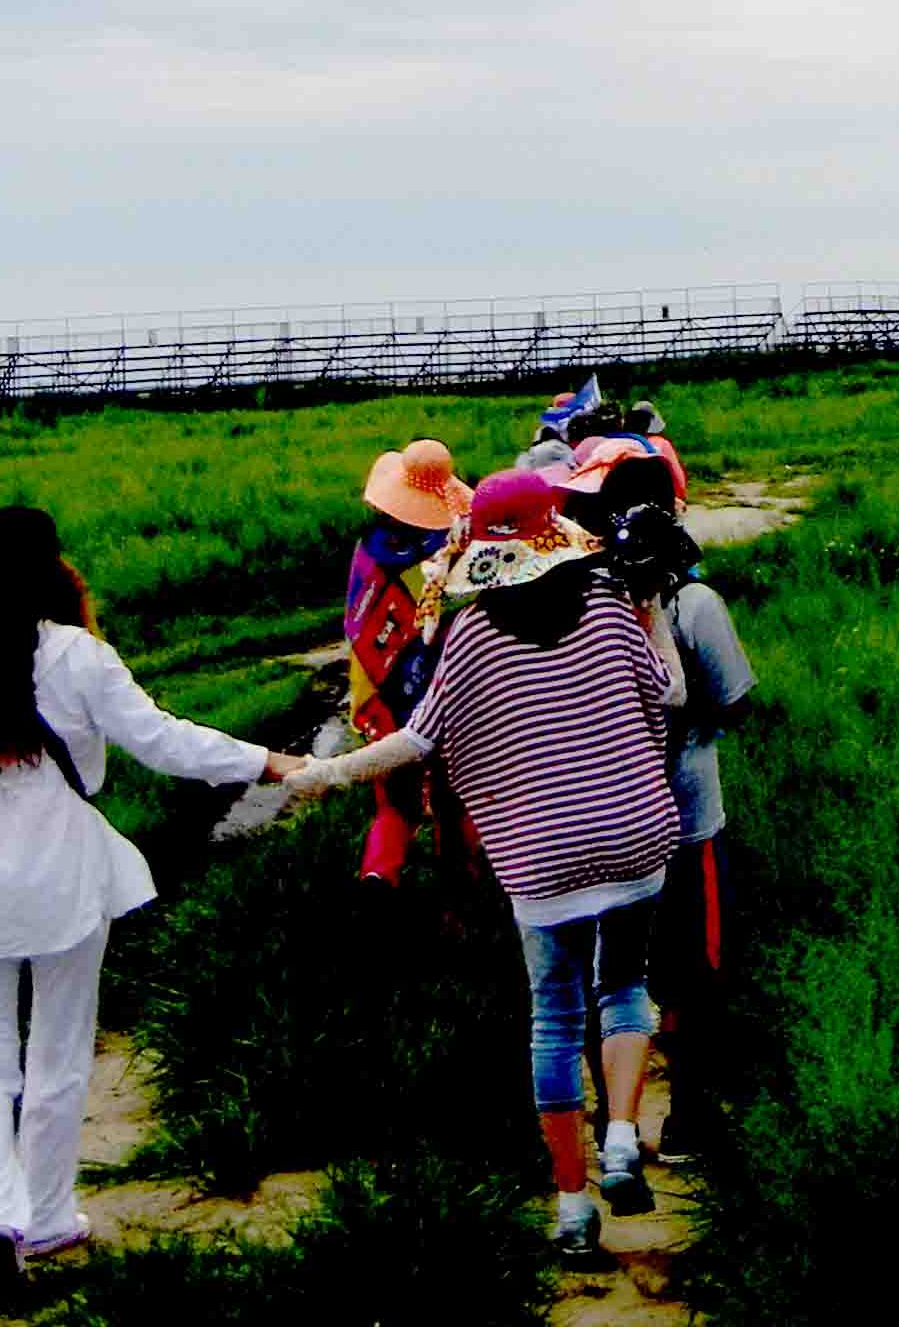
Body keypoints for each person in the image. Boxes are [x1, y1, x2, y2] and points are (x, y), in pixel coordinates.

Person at [262, 470, 685, 1268]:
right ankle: (624, 1134)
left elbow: (418, 742)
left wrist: (320, 774)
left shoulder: (472, 636)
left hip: (540, 857)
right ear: (554, 532)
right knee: (625, 987)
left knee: (555, 1019)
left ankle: (570, 1205)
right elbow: (669, 694)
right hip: (634, 837)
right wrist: (652, 612)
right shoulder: (607, 608)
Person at [0, 505, 273, 1313]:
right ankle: (50, 1217)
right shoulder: (78, 655)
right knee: (58, 1055)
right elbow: (162, 741)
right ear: (55, 567)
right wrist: (263, 762)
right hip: (62, 866)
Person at [566, 447, 757, 1158]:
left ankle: (606, 1116)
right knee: (695, 970)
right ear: (675, 511)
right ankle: (690, 1120)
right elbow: (734, 698)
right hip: (687, 813)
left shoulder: (585, 595)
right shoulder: (695, 601)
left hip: (603, 817)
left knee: (607, 972)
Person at [343, 437, 469, 885]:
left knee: (394, 802)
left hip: (380, 690)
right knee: (455, 797)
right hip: (441, 694)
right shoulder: (451, 556)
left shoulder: (369, 550)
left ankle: (379, 876)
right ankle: (459, 891)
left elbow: (358, 625)